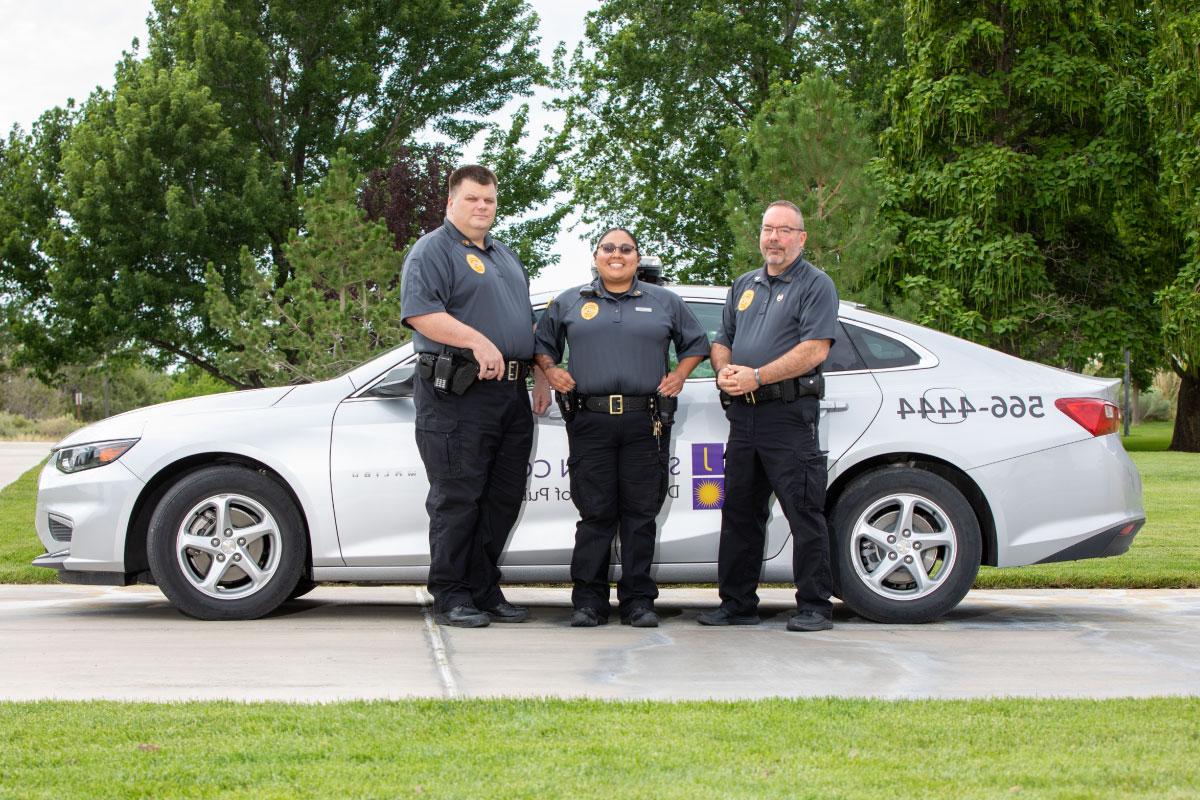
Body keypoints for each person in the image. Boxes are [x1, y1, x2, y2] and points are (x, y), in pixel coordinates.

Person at [400, 164, 551, 628]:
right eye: (472, 199)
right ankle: (451, 592)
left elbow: (522, 323)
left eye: (488, 200)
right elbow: (422, 314)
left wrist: (540, 370)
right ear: (451, 202)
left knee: (501, 499)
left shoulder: (506, 255)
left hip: (509, 395)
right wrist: (476, 340)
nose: (482, 207)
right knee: (457, 497)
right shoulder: (432, 251)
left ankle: (484, 589)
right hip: (457, 394)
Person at [534, 228, 709, 627]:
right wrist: (550, 371)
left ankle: (638, 602)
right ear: (595, 256)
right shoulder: (570, 301)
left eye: (626, 249)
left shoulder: (664, 301)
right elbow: (542, 345)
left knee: (640, 514)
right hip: (589, 419)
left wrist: (680, 374)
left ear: (637, 257)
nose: (617, 255)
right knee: (594, 514)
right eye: (608, 248)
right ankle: (588, 602)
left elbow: (696, 344)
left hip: (645, 420)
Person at [698, 201, 839, 632]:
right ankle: (737, 604)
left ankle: (815, 606)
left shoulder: (816, 284)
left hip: (789, 414)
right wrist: (725, 370)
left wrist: (757, 376)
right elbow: (723, 340)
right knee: (739, 512)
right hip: (745, 417)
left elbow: (815, 349)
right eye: (767, 229)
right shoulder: (745, 284)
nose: (773, 238)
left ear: (801, 238)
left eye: (783, 230)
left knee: (804, 511)